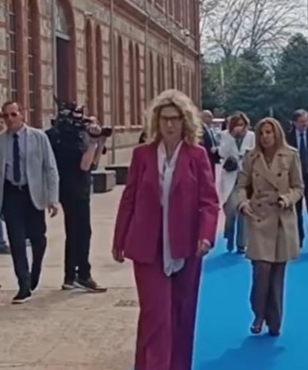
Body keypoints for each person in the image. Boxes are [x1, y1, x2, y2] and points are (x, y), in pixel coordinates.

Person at [112, 89, 220, 370]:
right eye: (164, 119)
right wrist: (119, 238)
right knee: (156, 314)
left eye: (175, 119)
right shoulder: (142, 155)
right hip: (147, 246)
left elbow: (209, 201)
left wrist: (206, 236)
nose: (169, 125)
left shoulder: (197, 156)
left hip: (186, 245)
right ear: (156, 123)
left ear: (185, 122)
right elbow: (129, 198)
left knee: (182, 314)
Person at [235, 116, 305, 336]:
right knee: (261, 270)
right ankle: (258, 313)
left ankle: (274, 320)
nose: (265, 137)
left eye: (269, 132)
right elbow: (240, 187)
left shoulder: (291, 156)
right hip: (258, 217)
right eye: (262, 133)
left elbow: (299, 186)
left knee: (277, 273)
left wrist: (288, 199)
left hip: (282, 219)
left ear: (277, 134)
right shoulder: (251, 157)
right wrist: (243, 203)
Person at [0, 101, 61, 303]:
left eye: (13, 114)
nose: (10, 119)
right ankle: (23, 284)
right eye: (6, 116)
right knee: (16, 240)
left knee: (38, 238)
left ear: (22, 115)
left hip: (33, 193)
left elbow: (50, 168)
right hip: (11, 194)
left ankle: (35, 268)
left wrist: (52, 199)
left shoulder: (38, 137)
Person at [47, 101, 107, 292]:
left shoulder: (55, 134)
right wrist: (91, 142)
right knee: (80, 232)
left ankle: (71, 276)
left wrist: (100, 142)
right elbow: (85, 165)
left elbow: (94, 164)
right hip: (75, 189)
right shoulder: (70, 137)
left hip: (72, 187)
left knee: (74, 232)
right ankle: (81, 275)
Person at [218, 113, 254, 253]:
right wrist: (231, 137)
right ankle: (229, 235)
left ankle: (241, 243)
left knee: (244, 210)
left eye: (242, 124)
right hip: (230, 177)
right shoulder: (225, 136)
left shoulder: (251, 136)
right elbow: (221, 153)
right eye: (236, 125)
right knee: (231, 210)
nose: (239, 128)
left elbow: (256, 152)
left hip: (245, 177)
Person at [285, 109, 308, 247]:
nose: (305, 124)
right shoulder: (287, 139)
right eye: (302, 122)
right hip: (294, 179)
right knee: (295, 211)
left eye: (307, 121)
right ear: (294, 123)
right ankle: (298, 240)